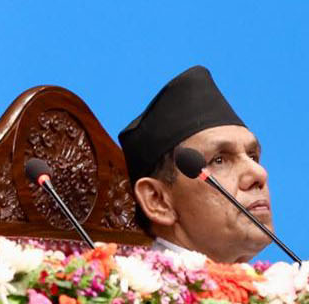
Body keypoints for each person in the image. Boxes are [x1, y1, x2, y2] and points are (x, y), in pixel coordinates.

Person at [117, 65, 274, 263]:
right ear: (157, 200)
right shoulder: (127, 284)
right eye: (219, 160)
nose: (259, 173)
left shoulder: (285, 281)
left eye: (253, 157)